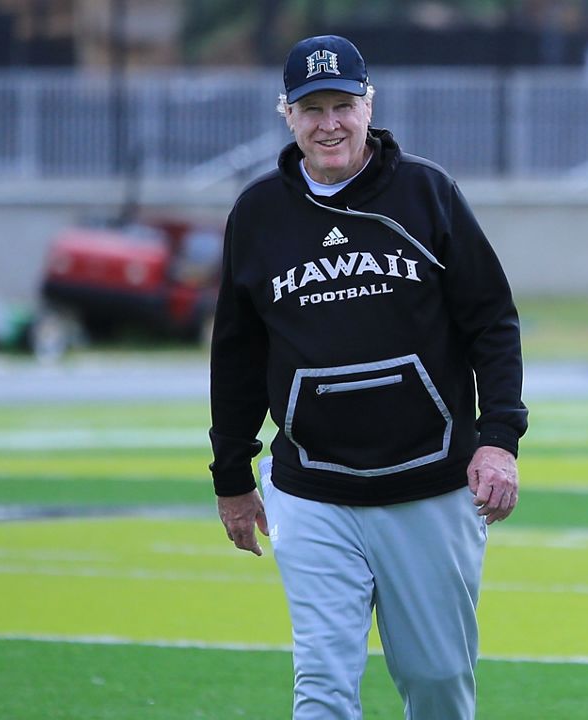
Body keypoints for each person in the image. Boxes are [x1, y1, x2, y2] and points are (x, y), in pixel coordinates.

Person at [208, 35, 527, 720]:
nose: (330, 124)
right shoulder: (258, 214)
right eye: (312, 108)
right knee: (322, 684)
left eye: (343, 105)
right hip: (312, 490)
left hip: (430, 484)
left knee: (438, 681)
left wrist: (499, 438)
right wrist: (232, 476)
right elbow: (235, 355)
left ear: (369, 104)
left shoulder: (427, 193)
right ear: (286, 114)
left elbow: (492, 323)